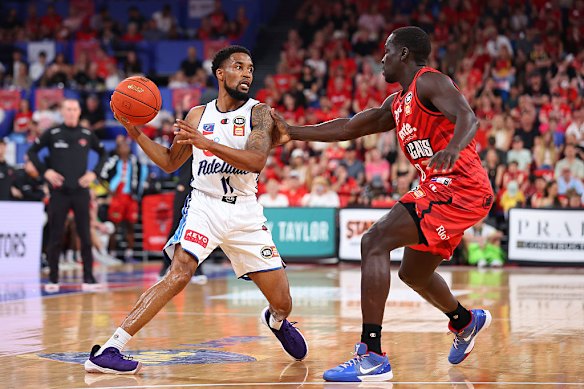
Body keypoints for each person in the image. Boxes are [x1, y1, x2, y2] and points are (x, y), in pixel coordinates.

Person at [271, 27, 493, 382]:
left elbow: (468, 116)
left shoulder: (429, 82)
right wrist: (291, 132)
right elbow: (348, 128)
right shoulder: (397, 103)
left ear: (404, 53)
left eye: (387, 52)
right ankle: (465, 321)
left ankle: (371, 355)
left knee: (374, 241)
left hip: (459, 185)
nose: (382, 59)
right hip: (446, 189)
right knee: (413, 274)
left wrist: (452, 148)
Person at [84, 45, 308, 374]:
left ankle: (276, 321)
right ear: (220, 73)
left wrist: (207, 144)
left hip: (245, 213)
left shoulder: (259, 113)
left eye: (250, 68)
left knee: (283, 302)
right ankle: (109, 349)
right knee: (179, 273)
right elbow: (171, 162)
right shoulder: (197, 116)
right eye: (238, 66)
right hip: (203, 204)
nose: (247, 73)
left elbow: (257, 160)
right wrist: (136, 133)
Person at [28, 99, 108, 293]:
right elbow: (32, 152)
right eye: (68, 110)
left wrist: (93, 173)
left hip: (80, 192)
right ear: (62, 112)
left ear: (79, 112)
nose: (71, 113)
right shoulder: (53, 133)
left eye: (74, 109)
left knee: (85, 236)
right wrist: (45, 172)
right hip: (59, 192)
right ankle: (53, 278)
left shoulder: (87, 134)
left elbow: (104, 153)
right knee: (55, 236)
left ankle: (88, 277)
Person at [157, 155, 207, 284]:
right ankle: (165, 265)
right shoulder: (189, 141)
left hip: (201, 190)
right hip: (184, 188)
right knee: (176, 228)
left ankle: (197, 269)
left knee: (198, 231)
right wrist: (182, 183)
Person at [99, 138, 148, 262]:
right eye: (122, 146)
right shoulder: (112, 161)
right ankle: (112, 253)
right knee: (113, 226)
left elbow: (142, 175)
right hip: (118, 197)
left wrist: (138, 191)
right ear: (117, 149)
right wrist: (109, 190)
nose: (125, 148)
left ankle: (129, 254)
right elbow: (101, 175)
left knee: (130, 225)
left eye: (126, 145)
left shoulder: (134, 161)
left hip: (131, 197)